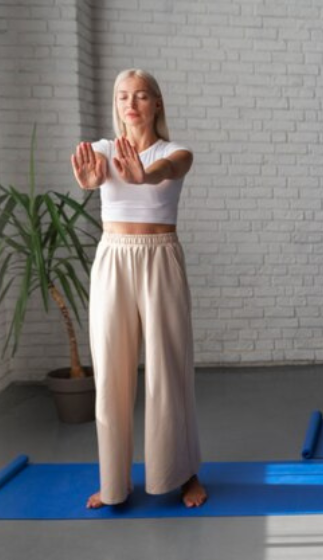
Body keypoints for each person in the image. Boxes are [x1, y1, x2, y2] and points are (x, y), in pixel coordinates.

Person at [70, 69, 207, 509]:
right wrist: (90, 183)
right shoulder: (102, 149)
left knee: (169, 369)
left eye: (142, 95)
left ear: (157, 104)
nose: (132, 103)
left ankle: (182, 474)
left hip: (160, 256)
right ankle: (114, 484)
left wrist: (146, 176)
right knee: (111, 372)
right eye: (124, 95)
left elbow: (171, 168)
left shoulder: (175, 151)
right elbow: (88, 174)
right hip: (114, 256)